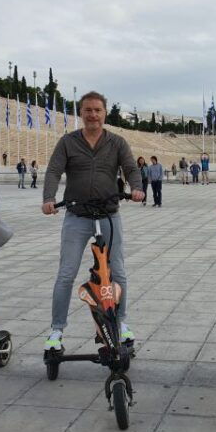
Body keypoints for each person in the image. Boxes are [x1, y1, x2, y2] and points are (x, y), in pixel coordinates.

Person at [42, 91, 144, 351]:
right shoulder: (68, 142)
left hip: (109, 214)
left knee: (117, 272)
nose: (93, 115)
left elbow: (131, 167)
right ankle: (56, 331)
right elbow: (54, 169)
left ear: (104, 113)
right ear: (81, 113)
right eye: (88, 110)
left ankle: (120, 322)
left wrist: (137, 187)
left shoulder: (117, 142)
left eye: (97, 110)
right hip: (77, 215)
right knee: (66, 273)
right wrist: (49, 198)